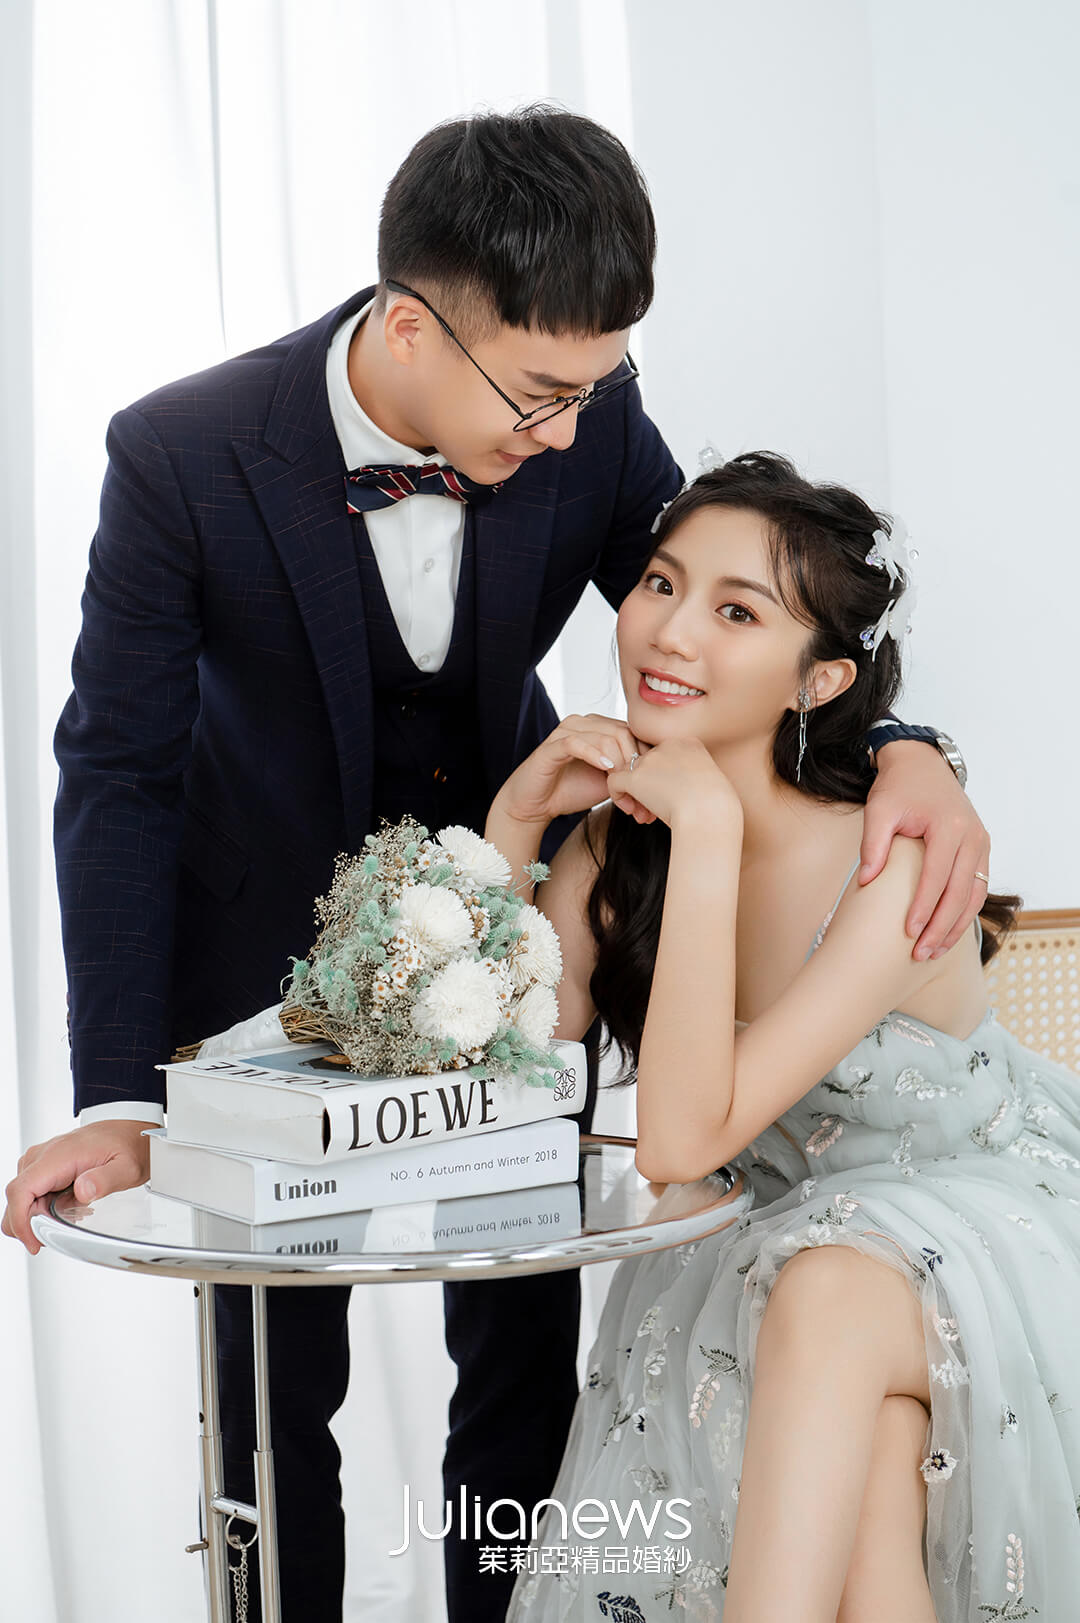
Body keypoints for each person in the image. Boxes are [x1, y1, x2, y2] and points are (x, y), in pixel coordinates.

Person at [2, 108, 988, 1623]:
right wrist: (119, 1093)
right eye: (540, 398)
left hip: (526, 945)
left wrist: (907, 742)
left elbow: (735, 606)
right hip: (262, 961)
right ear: (411, 324)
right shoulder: (181, 452)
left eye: (596, 392)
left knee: (520, 1358)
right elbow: (117, 772)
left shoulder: (581, 397)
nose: (572, 435)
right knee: (273, 1392)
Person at [487, 452, 1080, 1623]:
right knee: (871, 1483)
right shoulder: (612, 849)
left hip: (980, 1233)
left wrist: (709, 829)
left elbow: (679, 1143)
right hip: (761, 1255)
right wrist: (516, 823)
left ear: (820, 682)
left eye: (738, 612)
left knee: (821, 1294)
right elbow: (502, 1073)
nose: (670, 632)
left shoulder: (888, 859)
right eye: (661, 584)